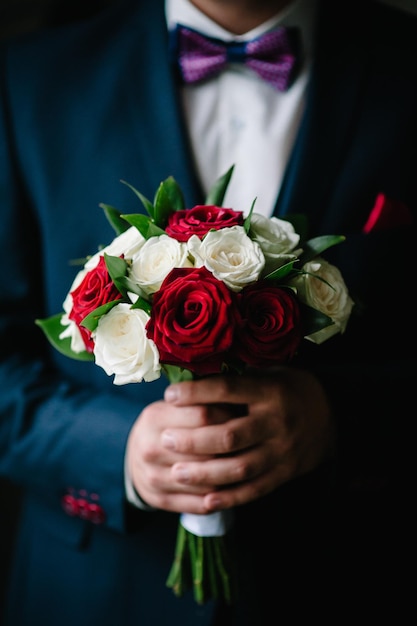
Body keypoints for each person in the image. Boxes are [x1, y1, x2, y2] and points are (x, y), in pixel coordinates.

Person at [0, 0, 415, 624]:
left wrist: (338, 421)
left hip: (352, 583)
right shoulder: (28, 79)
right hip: (92, 593)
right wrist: (117, 452)